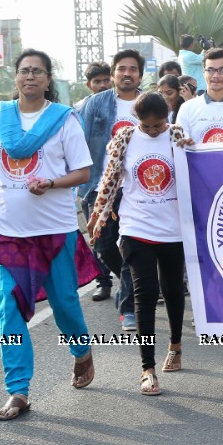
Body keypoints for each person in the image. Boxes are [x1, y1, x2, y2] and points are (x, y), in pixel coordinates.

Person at [0, 49, 100, 420]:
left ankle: (81, 350)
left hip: (54, 231)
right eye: (24, 71)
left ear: (47, 79)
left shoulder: (63, 119)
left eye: (38, 72)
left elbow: (83, 173)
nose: (30, 77)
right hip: (9, 233)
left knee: (65, 305)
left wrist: (53, 182)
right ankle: (18, 391)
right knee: (8, 313)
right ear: (16, 77)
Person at [88, 92, 191, 396]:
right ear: (137, 121)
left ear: (168, 116)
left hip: (173, 229)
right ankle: (147, 368)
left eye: (159, 124)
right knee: (144, 296)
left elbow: (193, 170)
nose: (155, 130)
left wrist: (190, 150)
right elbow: (109, 179)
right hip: (136, 227)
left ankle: (175, 344)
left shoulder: (177, 135)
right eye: (148, 127)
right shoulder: (125, 137)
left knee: (172, 291)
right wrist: (98, 214)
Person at [78, 50, 144, 319]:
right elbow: (80, 142)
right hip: (100, 186)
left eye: (132, 69)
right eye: (121, 68)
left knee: (131, 246)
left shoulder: (151, 102)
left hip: (138, 189)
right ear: (114, 72)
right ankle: (131, 282)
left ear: (140, 74)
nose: (126, 73)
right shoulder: (95, 103)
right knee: (103, 246)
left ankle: (127, 307)